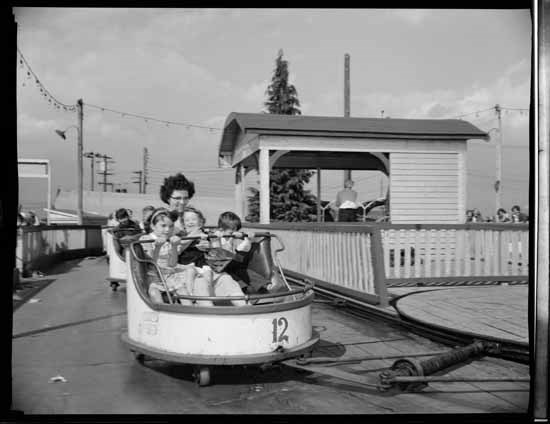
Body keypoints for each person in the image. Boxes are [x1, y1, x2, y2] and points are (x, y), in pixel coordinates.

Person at [140, 208, 212, 306]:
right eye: (163, 226)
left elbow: (172, 263)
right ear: (153, 226)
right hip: (154, 275)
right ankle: (162, 314)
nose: (167, 230)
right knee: (154, 293)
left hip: (170, 274)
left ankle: (190, 313)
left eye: (170, 226)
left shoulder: (170, 240)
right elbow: (152, 262)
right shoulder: (146, 239)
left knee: (183, 292)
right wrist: (157, 247)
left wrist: (174, 246)